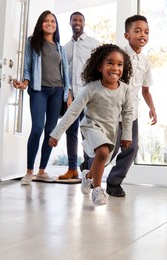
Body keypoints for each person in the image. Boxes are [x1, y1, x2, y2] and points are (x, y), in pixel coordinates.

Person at [49, 44, 133, 205]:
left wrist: (127, 134)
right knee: (102, 152)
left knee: (102, 159)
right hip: (91, 127)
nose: (115, 67)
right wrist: (56, 133)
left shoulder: (125, 90)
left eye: (119, 64)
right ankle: (97, 190)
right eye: (110, 63)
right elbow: (73, 111)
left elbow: (127, 113)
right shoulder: (91, 89)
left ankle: (87, 177)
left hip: (110, 130)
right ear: (100, 66)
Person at [13, 10, 69, 185]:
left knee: (51, 132)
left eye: (53, 21)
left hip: (57, 91)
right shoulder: (33, 42)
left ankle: (42, 171)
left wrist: (67, 94)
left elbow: (65, 72)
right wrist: (25, 81)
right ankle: (29, 172)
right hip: (39, 90)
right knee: (37, 128)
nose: (50, 24)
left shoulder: (60, 47)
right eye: (46, 21)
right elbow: (27, 65)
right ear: (40, 24)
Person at [105, 15, 157, 197]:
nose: (143, 34)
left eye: (146, 32)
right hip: (113, 111)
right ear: (127, 35)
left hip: (131, 113)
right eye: (138, 31)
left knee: (132, 148)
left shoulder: (145, 61)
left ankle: (114, 182)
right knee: (108, 151)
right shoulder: (118, 56)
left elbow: (145, 90)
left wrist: (152, 108)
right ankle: (88, 168)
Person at [58, 11, 100, 180]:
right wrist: (67, 92)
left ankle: (89, 168)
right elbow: (63, 73)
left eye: (80, 20)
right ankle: (72, 168)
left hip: (88, 95)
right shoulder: (64, 48)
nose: (77, 22)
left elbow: (99, 68)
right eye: (74, 19)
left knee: (88, 132)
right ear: (70, 23)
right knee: (71, 131)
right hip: (72, 96)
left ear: (84, 23)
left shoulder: (93, 44)